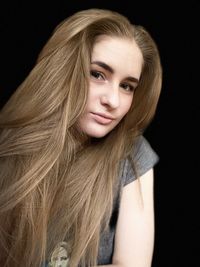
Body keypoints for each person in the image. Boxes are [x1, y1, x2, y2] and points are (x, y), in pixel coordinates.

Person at [0, 8, 162, 267]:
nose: (113, 100)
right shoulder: (8, 145)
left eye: (127, 86)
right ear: (63, 70)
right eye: (98, 74)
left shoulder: (132, 154)